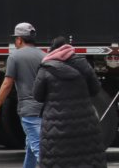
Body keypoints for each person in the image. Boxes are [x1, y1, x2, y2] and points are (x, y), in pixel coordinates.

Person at [32, 36, 106, 167]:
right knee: (87, 159)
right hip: (84, 122)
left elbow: (37, 96)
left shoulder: (46, 68)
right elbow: (95, 89)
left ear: (52, 50)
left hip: (55, 124)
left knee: (57, 160)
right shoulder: (83, 64)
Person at [0, 22, 44, 168]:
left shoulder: (15, 57)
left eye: (15, 39)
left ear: (20, 39)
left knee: (38, 148)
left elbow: (7, 84)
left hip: (29, 109)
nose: (15, 42)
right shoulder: (45, 56)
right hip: (45, 108)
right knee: (31, 147)